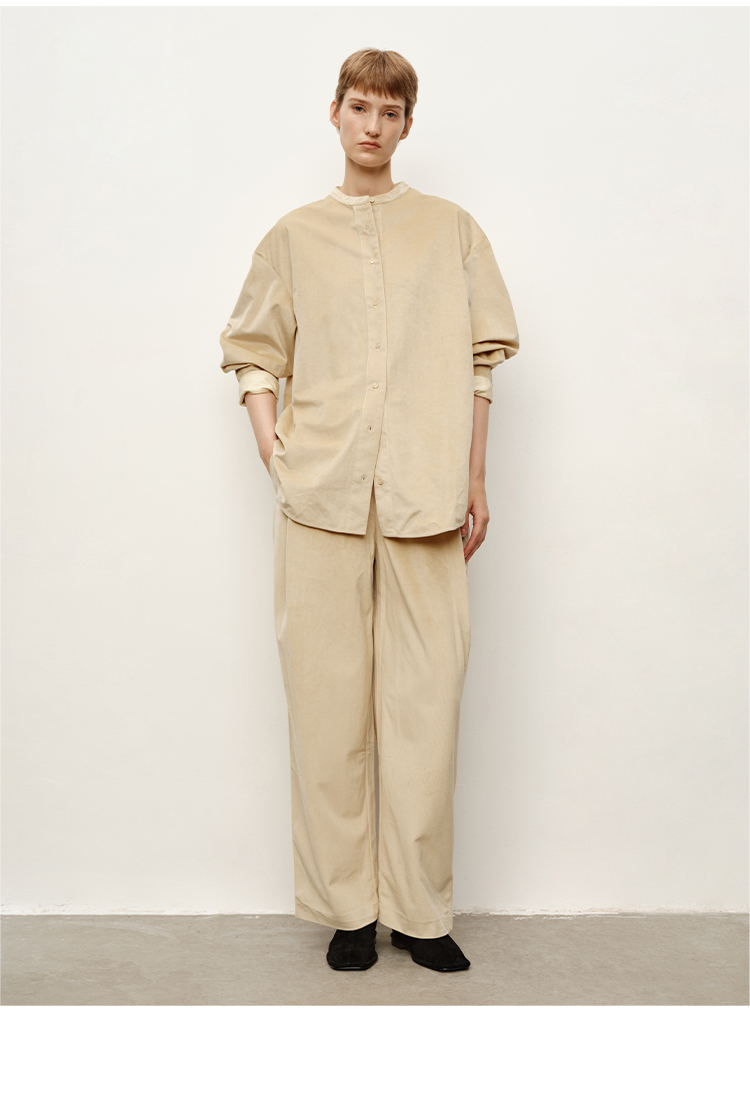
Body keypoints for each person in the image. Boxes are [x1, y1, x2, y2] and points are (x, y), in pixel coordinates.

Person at [219, 48, 519, 973]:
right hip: (321, 500)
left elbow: (480, 363)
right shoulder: (292, 238)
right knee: (327, 708)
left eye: (390, 112)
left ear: (408, 124)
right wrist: (274, 449)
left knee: (427, 706)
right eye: (359, 107)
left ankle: (421, 912)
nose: (373, 126)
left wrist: (474, 478)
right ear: (336, 113)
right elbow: (253, 352)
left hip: (427, 494)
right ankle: (348, 909)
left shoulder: (452, 231)